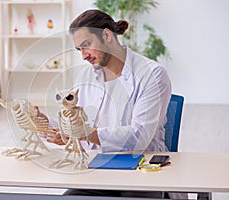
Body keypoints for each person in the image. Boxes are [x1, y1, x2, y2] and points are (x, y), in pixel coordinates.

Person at [46, 9, 185, 199]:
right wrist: (50, 125)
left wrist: (83, 134)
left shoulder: (152, 75)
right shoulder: (86, 76)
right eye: (79, 49)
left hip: (143, 173)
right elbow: (79, 121)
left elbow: (139, 137)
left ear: (106, 35)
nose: (83, 56)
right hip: (98, 172)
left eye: (87, 45)